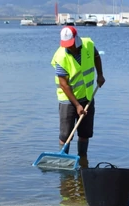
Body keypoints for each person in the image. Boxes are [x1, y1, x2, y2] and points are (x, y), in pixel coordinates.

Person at [51, 26, 105, 158]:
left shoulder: (88, 44)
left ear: (77, 39)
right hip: (68, 100)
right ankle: (64, 159)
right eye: (66, 45)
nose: (69, 47)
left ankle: (82, 159)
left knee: (84, 133)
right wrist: (77, 105)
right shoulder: (61, 56)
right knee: (66, 134)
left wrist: (100, 75)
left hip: (87, 96)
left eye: (71, 44)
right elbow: (64, 85)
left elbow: (96, 56)